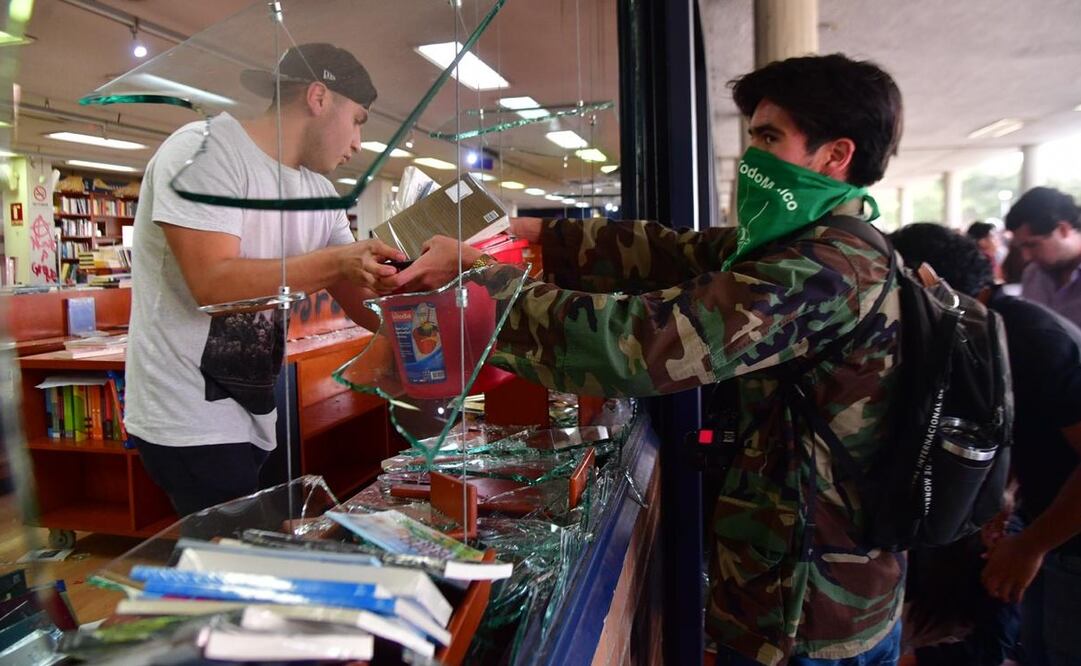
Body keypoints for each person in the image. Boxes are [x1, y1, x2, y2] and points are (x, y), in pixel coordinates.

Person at [391, 54, 906, 665]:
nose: (751, 160)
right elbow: (672, 252)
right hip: (794, 584)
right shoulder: (804, 245)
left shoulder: (827, 269)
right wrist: (535, 234)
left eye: (771, 138)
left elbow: (644, 344)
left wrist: (481, 281)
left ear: (835, 154)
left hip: (809, 610)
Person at [125, 43, 406, 517]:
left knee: (233, 553)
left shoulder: (319, 192)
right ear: (318, 97)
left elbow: (360, 298)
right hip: (187, 412)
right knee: (229, 562)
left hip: (254, 411)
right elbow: (212, 283)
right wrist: (340, 261)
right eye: (358, 119)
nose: (358, 142)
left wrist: (429, 310)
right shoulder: (204, 150)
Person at [891, 223, 1081, 666]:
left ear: (929, 285)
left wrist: (1031, 545)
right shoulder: (986, 332)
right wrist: (1007, 495)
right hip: (1049, 526)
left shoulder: (1032, 340)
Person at [1004, 187, 1081, 328]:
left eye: (1032, 245)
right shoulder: (1033, 274)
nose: (1026, 257)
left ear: (1063, 230)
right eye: (1021, 247)